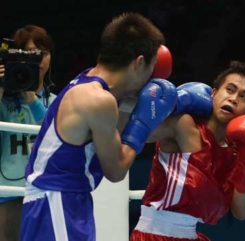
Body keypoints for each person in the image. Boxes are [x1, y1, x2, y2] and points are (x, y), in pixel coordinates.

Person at [20, 12, 177, 241]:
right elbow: (116, 169)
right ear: (139, 62)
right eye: (151, 70)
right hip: (56, 203)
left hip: (66, 201)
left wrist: (132, 101)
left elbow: (116, 134)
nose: (149, 78)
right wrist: (142, 122)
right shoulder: (97, 100)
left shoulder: (89, 83)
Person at [130, 61, 245, 241]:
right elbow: (138, 133)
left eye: (244, 96)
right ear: (214, 93)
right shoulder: (183, 124)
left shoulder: (235, 154)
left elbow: (242, 212)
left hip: (190, 234)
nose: (234, 98)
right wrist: (154, 101)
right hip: (153, 235)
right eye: (230, 89)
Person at [0, 25, 55, 241]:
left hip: (44, 195)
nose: (39, 59)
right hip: (9, 194)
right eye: (31, 53)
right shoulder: (4, 103)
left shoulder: (58, 103)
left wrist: (32, 101)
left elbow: (55, 135)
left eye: (44, 52)